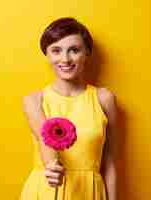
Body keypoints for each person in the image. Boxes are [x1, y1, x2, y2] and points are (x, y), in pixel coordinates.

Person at [20, 17, 118, 200]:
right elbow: (46, 139)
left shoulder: (104, 99)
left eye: (74, 50)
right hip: (47, 190)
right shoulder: (34, 100)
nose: (65, 59)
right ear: (47, 54)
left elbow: (109, 162)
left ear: (87, 52)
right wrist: (51, 167)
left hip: (88, 193)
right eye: (56, 51)